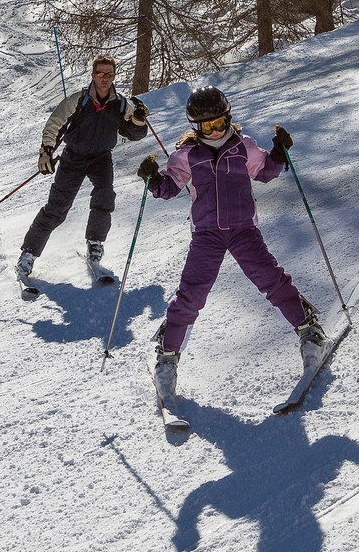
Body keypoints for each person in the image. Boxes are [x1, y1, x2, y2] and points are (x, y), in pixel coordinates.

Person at [137, 85, 326, 400]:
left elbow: (266, 171)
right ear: (195, 127)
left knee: (271, 279)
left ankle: (309, 330)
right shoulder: (186, 155)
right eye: (207, 127)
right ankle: (167, 356)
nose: (215, 131)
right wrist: (154, 180)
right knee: (191, 294)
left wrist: (280, 153)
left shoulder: (242, 146)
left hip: (242, 229)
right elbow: (169, 187)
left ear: (229, 118)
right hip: (206, 234)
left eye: (220, 124)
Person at [15, 54, 149, 287]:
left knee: (104, 196)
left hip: (101, 157)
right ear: (93, 75)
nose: (105, 79)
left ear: (114, 76)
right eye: (100, 74)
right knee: (57, 209)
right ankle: (28, 254)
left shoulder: (120, 104)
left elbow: (135, 134)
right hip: (74, 157)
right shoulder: (79, 101)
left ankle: (95, 243)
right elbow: (55, 124)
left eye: (109, 74)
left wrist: (138, 121)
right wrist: (46, 151)